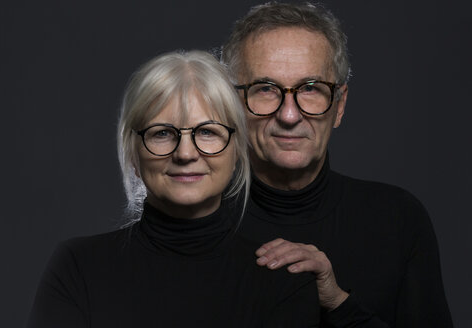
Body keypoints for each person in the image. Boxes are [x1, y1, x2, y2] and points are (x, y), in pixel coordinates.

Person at [27, 50, 320, 327]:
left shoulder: (285, 279)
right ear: (132, 152)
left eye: (207, 132)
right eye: (163, 133)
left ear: (237, 149)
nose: (185, 154)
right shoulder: (79, 267)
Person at [221, 2, 453, 327]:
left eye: (311, 89)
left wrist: (338, 303)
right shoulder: (196, 223)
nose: (289, 115)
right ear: (233, 104)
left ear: (340, 106)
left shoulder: (399, 220)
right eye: (266, 89)